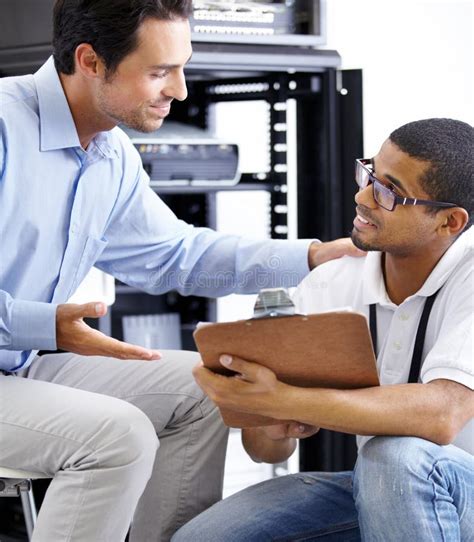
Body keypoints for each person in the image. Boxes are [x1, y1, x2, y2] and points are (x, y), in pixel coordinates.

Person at [0, 1, 361, 541]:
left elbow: (178, 255)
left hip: (18, 368)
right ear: (91, 61)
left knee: (207, 390)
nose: (181, 89)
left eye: (182, 66)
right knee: (117, 437)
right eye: (159, 71)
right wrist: (43, 325)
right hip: (21, 359)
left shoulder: (110, 155)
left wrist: (310, 256)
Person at [173, 118, 474, 542]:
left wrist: (292, 398)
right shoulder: (332, 281)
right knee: (201, 539)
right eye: (368, 174)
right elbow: (265, 451)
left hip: (446, 488)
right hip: (383, 488)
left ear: (450, 222)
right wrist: (270, 421)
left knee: (395, 457)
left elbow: (443, 414)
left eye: (388, 191)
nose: (361, 196)